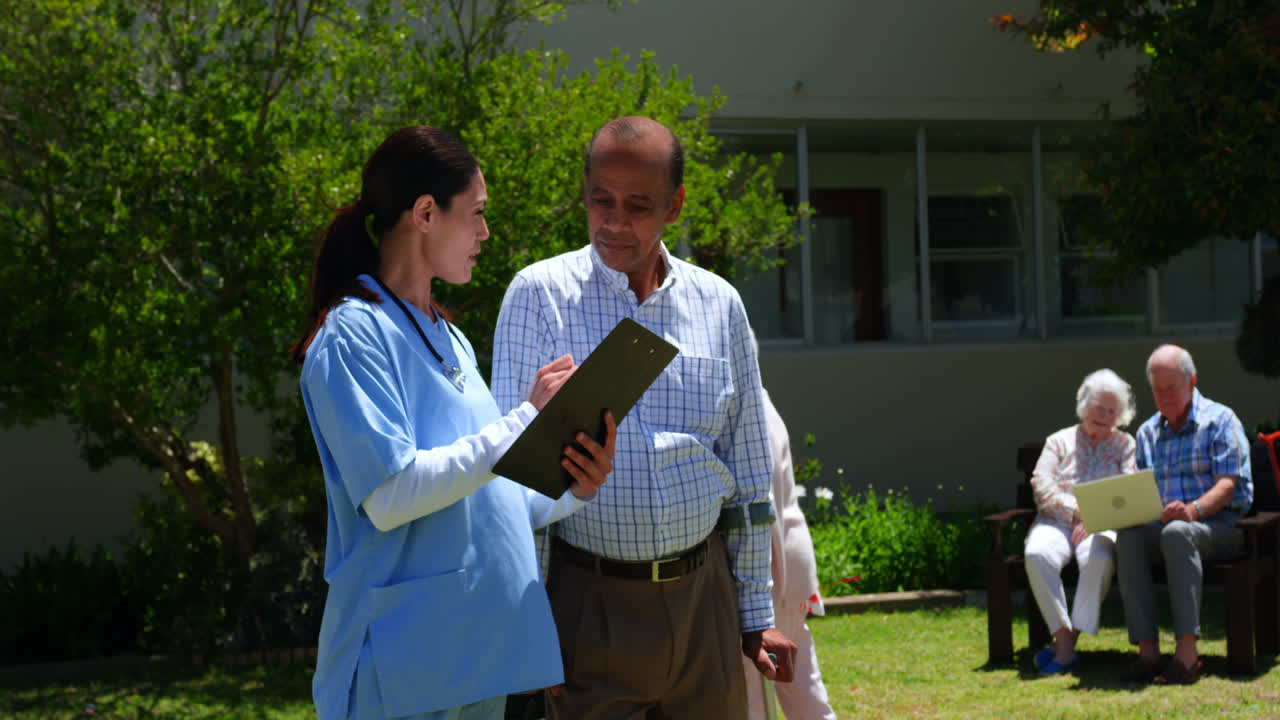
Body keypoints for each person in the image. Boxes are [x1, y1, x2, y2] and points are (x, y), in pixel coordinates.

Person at [292, 125, 617, 720]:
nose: (486, 233)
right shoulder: (351, 335)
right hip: (403, 667)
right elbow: (391, 495)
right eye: (476, 214)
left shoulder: (454, 339)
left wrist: (572, 487)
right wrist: (524, 418)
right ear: (424, 213)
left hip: (474, 660)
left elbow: (489, 501)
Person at [491, 115, 797, 720]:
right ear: (583, 192)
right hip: (586, 603)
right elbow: (511, 486)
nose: (614, 221)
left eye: (637, 205)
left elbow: (748, 473)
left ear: (675, 206)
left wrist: (755, 616)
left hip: (704, 603)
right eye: (600, 200)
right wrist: (527, 634)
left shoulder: (720, 304)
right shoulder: (538, 296)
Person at [1117, 344, 1253, 685]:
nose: (1164, 397)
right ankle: (1148, 654)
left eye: (1171, 388)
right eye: (1157, 390)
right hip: (1166, 526)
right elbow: (1143, 488)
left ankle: (1187, 656)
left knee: (1177, 534)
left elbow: (1228, 485)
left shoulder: (1221, 420)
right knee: (1130, 536)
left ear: (1192, 381)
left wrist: (1192, 511)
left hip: (1220, 525)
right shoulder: (1148, 432)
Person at [1023, 369, 1137, 675]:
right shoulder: (1058, 441)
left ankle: (1065, 645)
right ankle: (1063, 639)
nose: (1103, 415)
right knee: (1037, 554)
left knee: (1099, 558)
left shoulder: (1126, 445)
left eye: (1111, 410)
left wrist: (1096, 516)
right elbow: (1041, 484)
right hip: (1057, 521)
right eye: (1098, 407)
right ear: (1084, 405)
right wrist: (1077, 512)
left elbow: (1126, 490)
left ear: (1121, 414)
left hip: (1100, 525)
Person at [741, 390, 837, 719]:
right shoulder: (761, 399)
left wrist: (766, 591)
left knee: (756, 699)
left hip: (774, 574)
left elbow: (762, 507)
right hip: (792, 572)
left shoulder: (745, 409)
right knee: (804, 691)